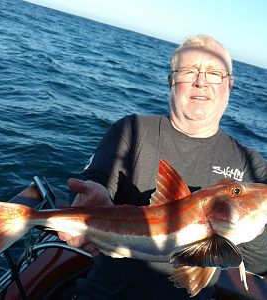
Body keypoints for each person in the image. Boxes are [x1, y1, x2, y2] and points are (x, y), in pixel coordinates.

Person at [58, 34, 267, 299]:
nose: (201, 81)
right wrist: (86, 200)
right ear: (171, 81)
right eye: (189, 71)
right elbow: (96, 182)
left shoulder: (250, 164)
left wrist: (252, 229)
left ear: (230, 84)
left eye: (214, 73)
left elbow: (263, 263)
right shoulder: (132, 130)